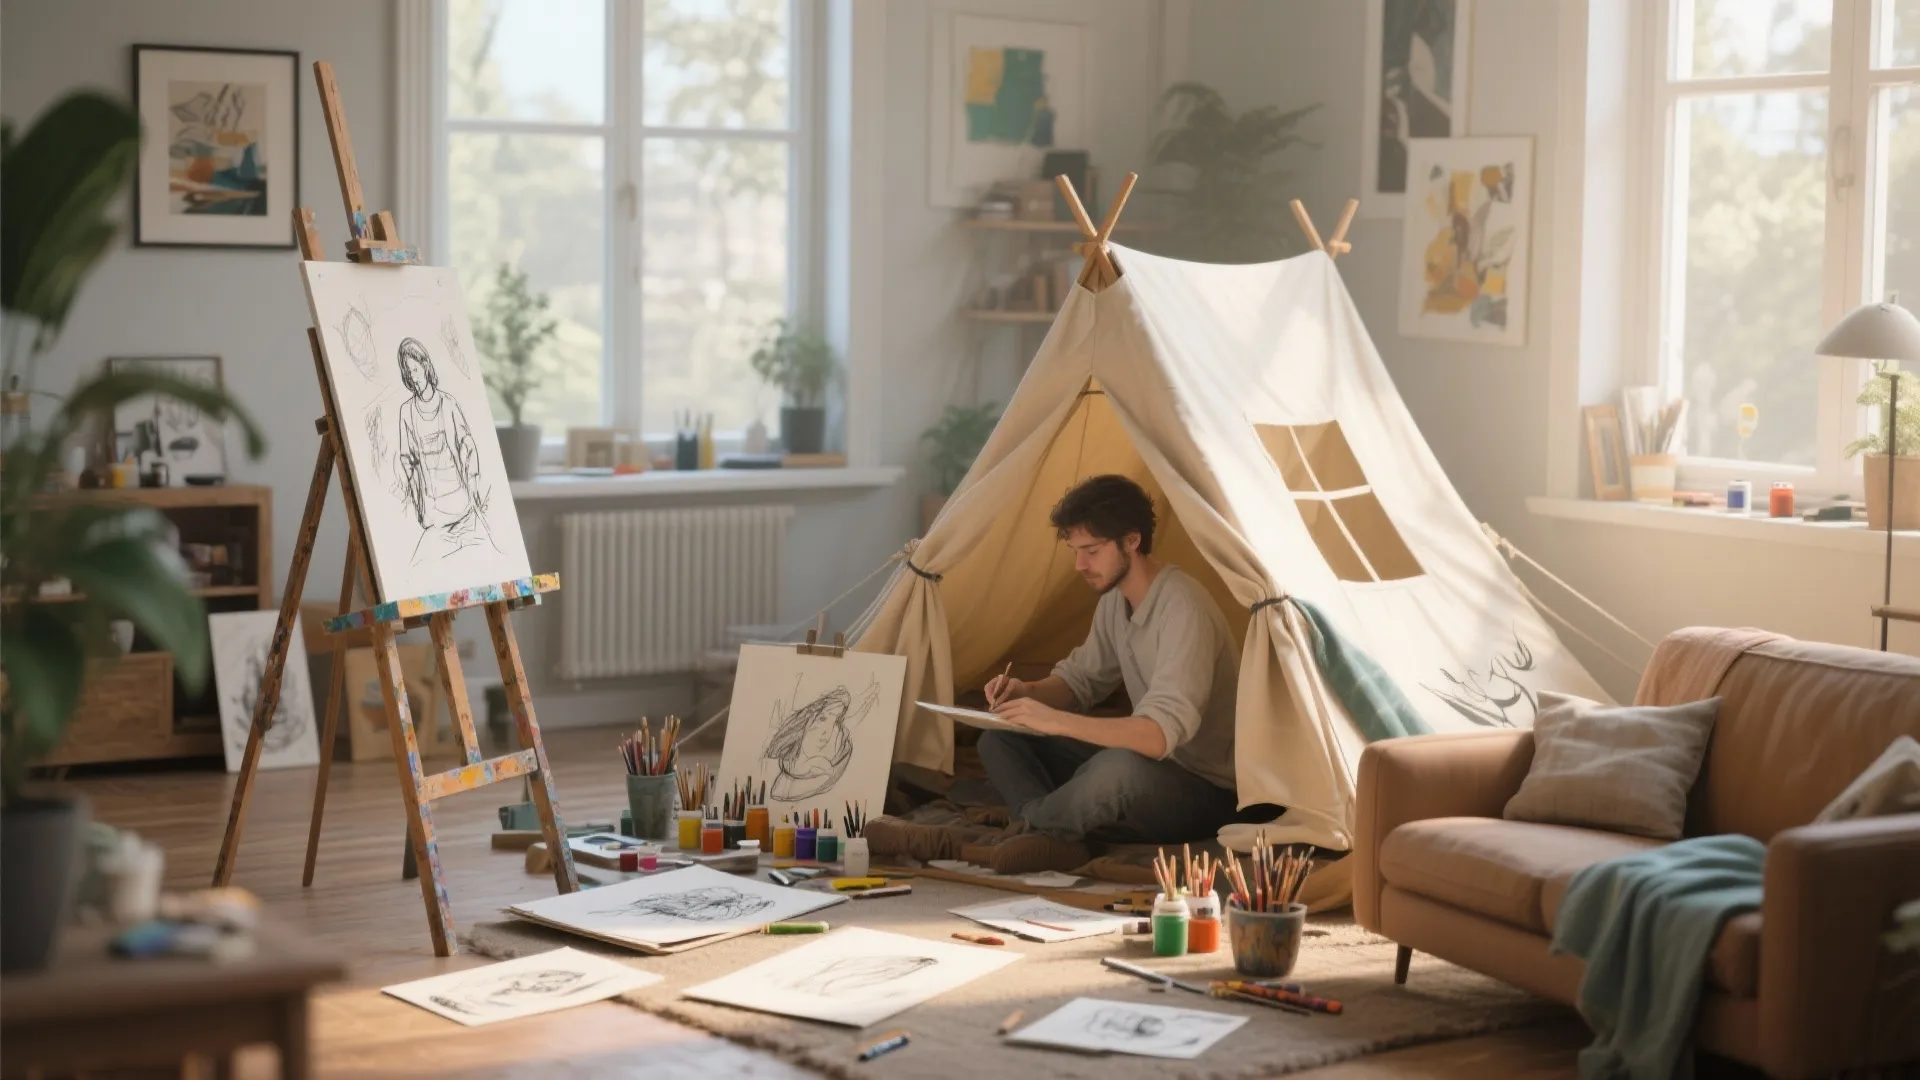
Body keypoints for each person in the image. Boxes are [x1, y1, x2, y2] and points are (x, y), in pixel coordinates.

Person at [867, 475, 1245, 874]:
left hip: (1206, 789)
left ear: (1132, 541)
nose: (1080, 565)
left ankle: (998, 837)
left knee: (1117, 768)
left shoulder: (1185, 610)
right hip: (1152, 771)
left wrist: (1056, 721)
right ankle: (1054, 836)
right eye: (1075, 550)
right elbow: (1080, 681)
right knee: (1000, 739)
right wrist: (1026, 692)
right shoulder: (1116, 602)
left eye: (1092, 551)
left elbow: (1156, 736)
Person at [394, 337, 494, 564]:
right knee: (421, 565)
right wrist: (417, 499)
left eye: (416, 369)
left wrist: (474, 485)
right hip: (433, 512)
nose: (413, 377)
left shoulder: (448, 404)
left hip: (461, 503)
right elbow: (406, 459)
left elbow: (468, 446)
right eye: (408, 372)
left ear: (426, 366)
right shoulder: (406, 412)